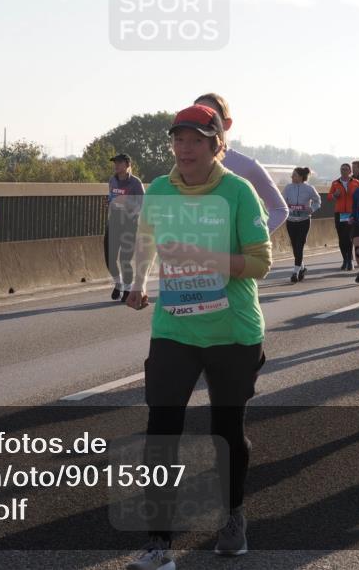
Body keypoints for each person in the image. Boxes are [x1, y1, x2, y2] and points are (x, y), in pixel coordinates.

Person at [125, 104, 271, 568]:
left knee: (225, 432)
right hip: (175, 327)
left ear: (215, 145)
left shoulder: (238, 191)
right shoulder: (160, 191)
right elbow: (146, 241)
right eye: (179, 140)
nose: (184, 149)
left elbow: (260, 263)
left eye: (195, 140)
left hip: (232, 330)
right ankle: (159, 542)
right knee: (160, 432)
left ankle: (232, 517)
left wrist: (204, 257)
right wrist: (138, 281)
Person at [193, 93, 288, 233]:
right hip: (193, 251)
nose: (201, 122)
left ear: (227, 123)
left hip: (233, 254)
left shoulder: (248, 167)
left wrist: (253, 238)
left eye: (210, 116)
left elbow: (279, 210)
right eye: (195, 117)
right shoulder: (185, 164)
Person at [105, 153, 144, 302]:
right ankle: (118, 283)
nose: (116, 165)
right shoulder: (112, 180)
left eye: (119, 163)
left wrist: (131, 210)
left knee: (124, 260)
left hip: (129, 224)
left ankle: (127, 288)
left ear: (127, 165)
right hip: (114, 222)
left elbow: (142, 204)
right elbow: (112, 198)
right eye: (115, 162)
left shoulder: (135, 183)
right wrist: (109, 203)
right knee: (110, 258)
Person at [283, 167, 321, 282]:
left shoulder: (309, 188)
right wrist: (286, 208)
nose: (292, 177)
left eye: (294, 175)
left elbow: (318, 201)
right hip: (291, 221)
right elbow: (282, 200)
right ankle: (302, 268)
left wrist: (312, 208)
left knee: (300, 245)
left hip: (304, 221)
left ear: (300, 177)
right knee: (295, 246)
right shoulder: (288, 188)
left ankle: (295, 272)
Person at [328, 163, 359, 271]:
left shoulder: (356, 183)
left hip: (351, 213)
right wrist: (334, 195)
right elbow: (329, 196)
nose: (344, 171)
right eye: (342, 169)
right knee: (342, 238)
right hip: (340, 213)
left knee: (349, 237)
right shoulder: (335, 183)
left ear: (350, 171)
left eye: (346, 169)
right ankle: (345, 259)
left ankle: (350, 260)